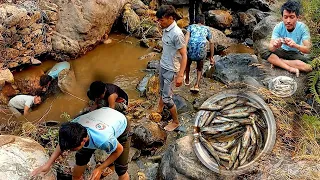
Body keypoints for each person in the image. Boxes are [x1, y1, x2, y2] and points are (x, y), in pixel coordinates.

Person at [31, 107, 131, 180]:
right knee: (81, 157)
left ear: (83, 141)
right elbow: (62, 144)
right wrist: (48, 164)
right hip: (103, 114)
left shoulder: (103, 139)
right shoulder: (74, 126)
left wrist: (100, 168)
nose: (69, 152)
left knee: (121, 170)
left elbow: (119, 150)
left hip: (121, 123)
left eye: (71, 149)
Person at [156, 5, 187, 131]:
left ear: (170, 18)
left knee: (167, 98)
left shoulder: (177, 34)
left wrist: (180, 75)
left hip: (171, 69)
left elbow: (184, 55)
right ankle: (159, 109)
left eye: (161, 20)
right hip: (163, 65)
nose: (159, 22)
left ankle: (175, 122)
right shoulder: (166, 28)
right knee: (162, 90)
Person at [261, 0, 312, 77]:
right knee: (263, 51)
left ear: (297, 17)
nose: (288, 21)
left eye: (291, 17)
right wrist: (275, 46)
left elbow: (308, 49)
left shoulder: (303, 28)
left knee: (310, 66)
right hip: (281, 51)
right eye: (285, 17)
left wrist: (295, 45)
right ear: (282, 17)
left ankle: (278, 62)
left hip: (295, 53)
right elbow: (271, 48)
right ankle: (289, 67)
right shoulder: (278, 27)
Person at [185, 14, 214, 93]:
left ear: (195, 21)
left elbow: (187, 38)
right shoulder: (207, 29)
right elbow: (211, 42)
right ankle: (196, 85)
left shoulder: (190, 27)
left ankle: (187, 79)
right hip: (201, 52)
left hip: (191, 51)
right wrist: (211, 57)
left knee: (187, 64)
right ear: (203, 21)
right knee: (200, 68)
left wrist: (184, 49)